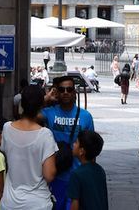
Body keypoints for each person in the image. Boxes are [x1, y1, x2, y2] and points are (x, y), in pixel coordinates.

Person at [2, 84, 57, 210]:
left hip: (10, 202)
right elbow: (49, 174)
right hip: (37, 203)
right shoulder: (45, 135)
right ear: (40, 106)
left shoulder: (7, 128)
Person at [43, 76, 94, 210]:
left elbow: (91, 151)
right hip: (56, 176)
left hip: (78, 177)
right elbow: (26, 114)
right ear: (57, 92)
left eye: (69, 89)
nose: (66, 92)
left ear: (74, 92)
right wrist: (46, 99)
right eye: (62, 89)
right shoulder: (49, 113)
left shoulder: (86, 116)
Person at [69, 129, 108, 210]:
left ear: (81, 151)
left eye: (76, 142)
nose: (73, 144)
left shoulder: (76, 174)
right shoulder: (100, 170)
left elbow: (74, 204)